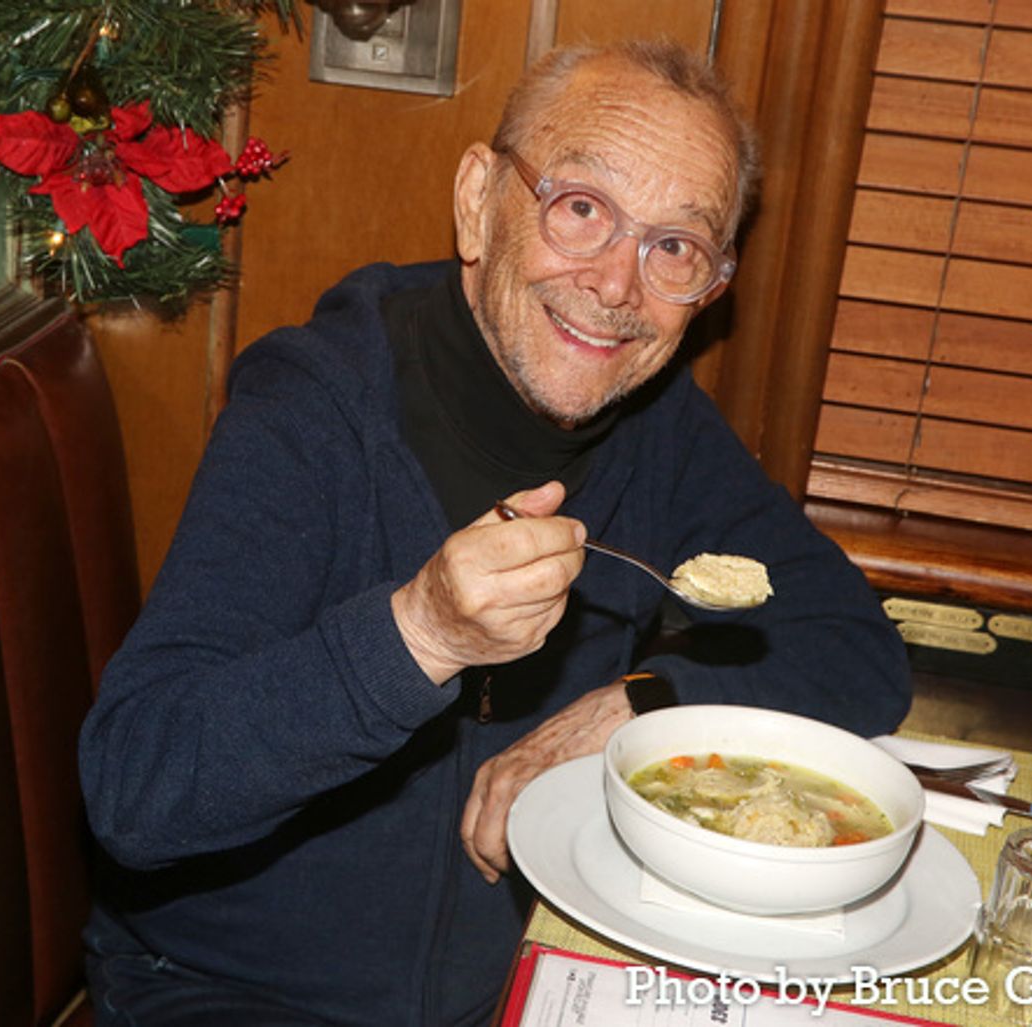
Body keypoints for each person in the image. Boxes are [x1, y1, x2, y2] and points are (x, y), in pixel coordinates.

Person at [78, 38, 912, 1026]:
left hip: (532, 978)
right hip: (231, 993)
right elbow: (138, 790)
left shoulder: (657, 429)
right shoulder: (312, 410)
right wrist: (417, 634)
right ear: (478, 200)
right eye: (581, 209)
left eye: (674, 247)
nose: (614, 286)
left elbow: (854, 649)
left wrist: (638, 706)